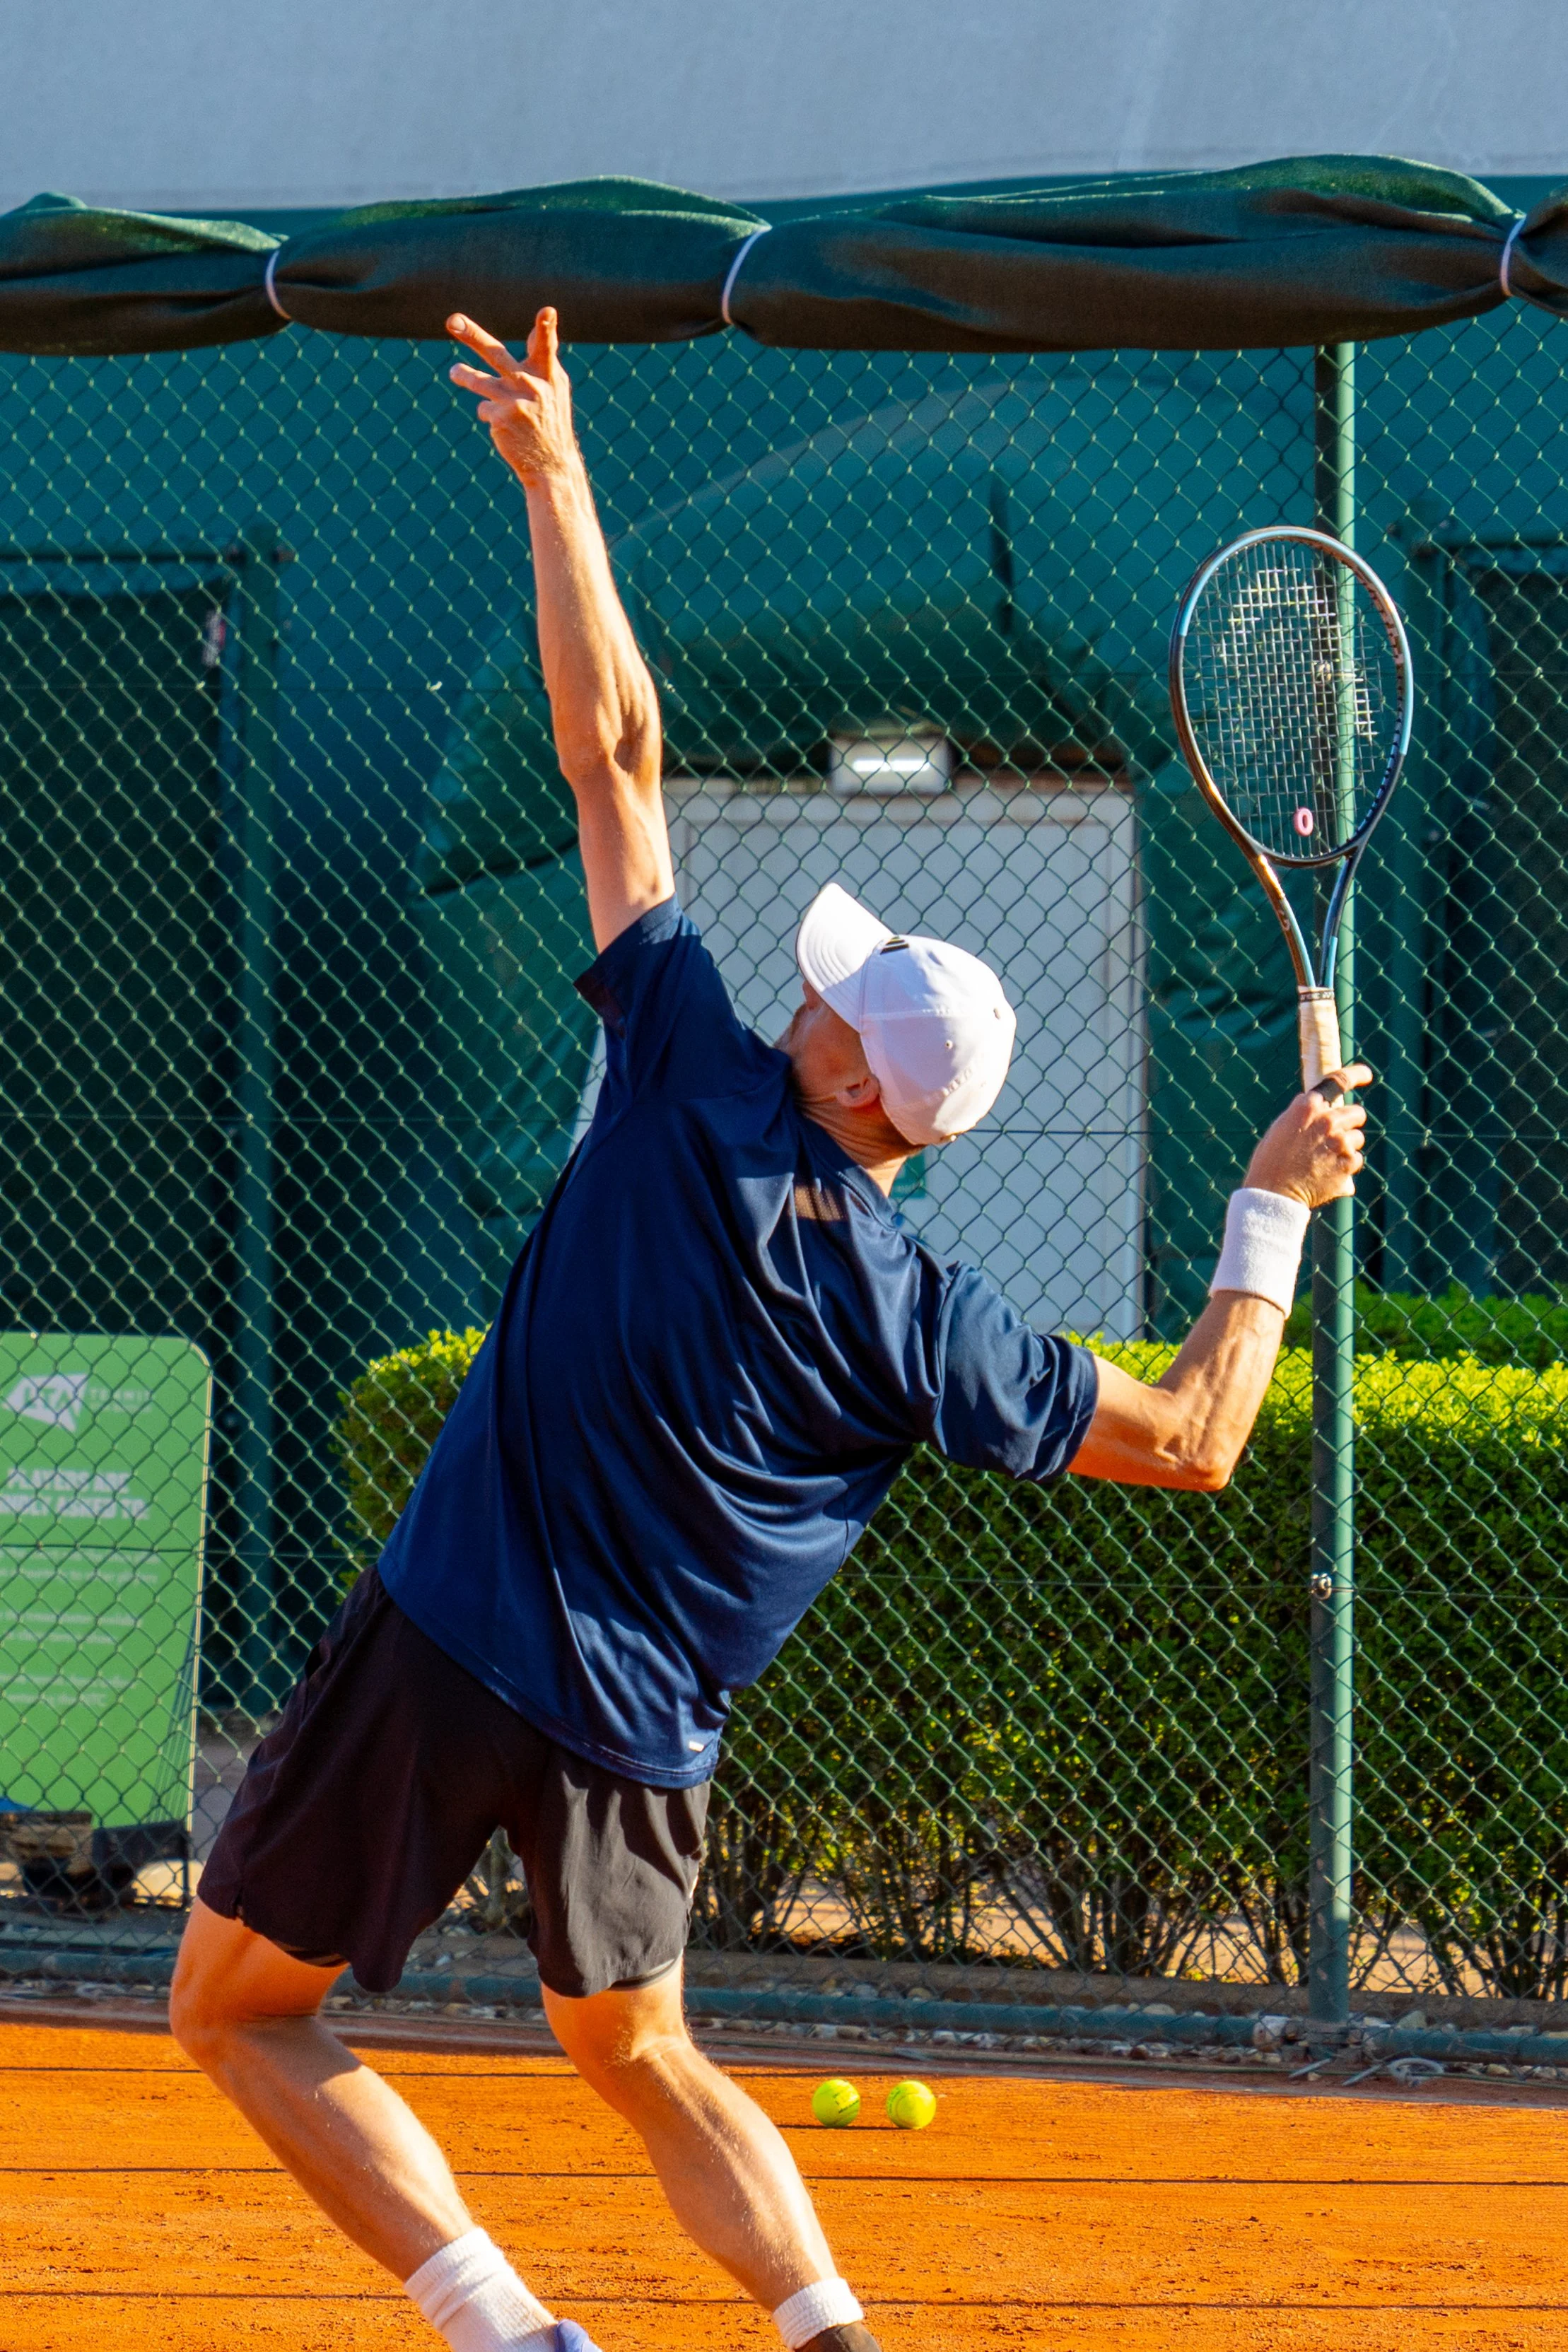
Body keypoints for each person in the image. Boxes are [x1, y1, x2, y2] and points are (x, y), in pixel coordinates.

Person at [170, 307, 1370, 2352]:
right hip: (637, 1739)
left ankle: (514, 2331)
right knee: (638, 2050)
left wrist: (557, 478)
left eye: (835, 991)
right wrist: (1270, 1200)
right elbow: (1194, 1432)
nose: (809, 990)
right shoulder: (922, 1318)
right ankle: (828, 2331)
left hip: (452, 1633)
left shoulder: (688, 1088)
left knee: (231, 2008)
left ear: (840, 1072)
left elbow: (612, 749)